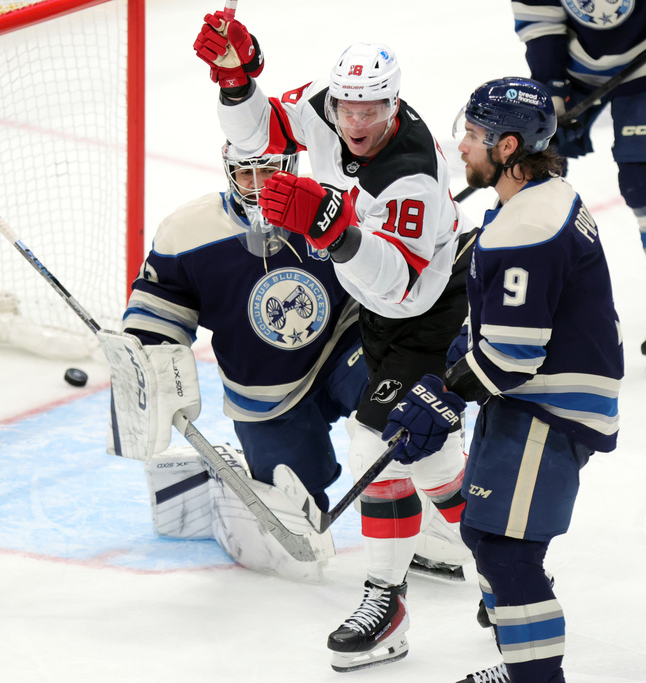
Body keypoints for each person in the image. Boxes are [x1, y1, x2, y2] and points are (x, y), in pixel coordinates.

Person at [194, 12, 473, 672]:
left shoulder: (409, 171)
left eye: (372, 107)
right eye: (349, 104)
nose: (355, 120)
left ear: (394, 102)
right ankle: (499, 560)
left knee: (377, 445)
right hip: (373, 309)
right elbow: (264, 134)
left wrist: (335, 231)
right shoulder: (327, 104)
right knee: (422, 462)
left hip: (422, 313)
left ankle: (389, 599)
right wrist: (237, 83)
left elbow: (399, 288)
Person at [384, 77, 624, 683]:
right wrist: (453, 373)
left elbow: (515, 355)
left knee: (505, 548)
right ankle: (524, 663)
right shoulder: (535, 197)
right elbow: (501, 327)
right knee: (485, 531)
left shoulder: (527, 228)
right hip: (534, 397)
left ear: (509, 146)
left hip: (550, 405)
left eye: (473, 135)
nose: (461, 146)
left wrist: (443, 397)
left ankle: (536, 677)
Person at [119, 144, 367, 581]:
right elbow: (161, 305)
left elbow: (389, 270)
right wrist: (149, 358)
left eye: (267, 171)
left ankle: (424, 522)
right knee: (292, 521)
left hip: (345, 345)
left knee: (391, 412)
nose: (256, 185)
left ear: (290, 165)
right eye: (245, 173)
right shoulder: (189, 230)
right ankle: (235, 483)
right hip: (263, 387)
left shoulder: (334, 206)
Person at [511, 0, 646, 375]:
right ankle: (531, 311)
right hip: (575, 62)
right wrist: (552, 89)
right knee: (538, 170)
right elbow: (539, 17)